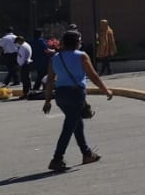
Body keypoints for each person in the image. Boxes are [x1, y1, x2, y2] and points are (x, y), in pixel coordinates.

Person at [42, 28, 113, 172]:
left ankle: (87, 154)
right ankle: (57, 159)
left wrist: (47, 100)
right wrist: (106, 90)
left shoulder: (55, 58)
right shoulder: (81, 56)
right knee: (69, 127)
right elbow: (93, 76)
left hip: (61, 95)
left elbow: (50, 80)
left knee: (76, 123)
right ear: (77, 42)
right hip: (76, 94)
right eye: (80, 40)